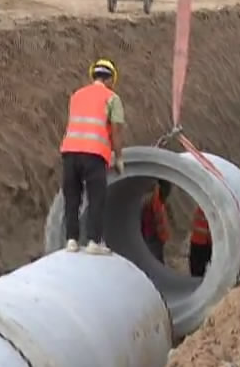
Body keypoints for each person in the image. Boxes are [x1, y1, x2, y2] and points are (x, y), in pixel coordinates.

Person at [59, 59, 125, 255]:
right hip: (94, 154)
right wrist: (118, 156)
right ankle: (93, 241)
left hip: (70, 151)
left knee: (72, 196)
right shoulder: (112, 98)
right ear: (111, 79)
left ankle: (71, 240)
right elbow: (116, 130)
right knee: (97, 197)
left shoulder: (77, 95)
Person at [141, 180, 171, 263]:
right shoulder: (156, 196)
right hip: (154, 234)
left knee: (154, 257)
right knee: (156, 257)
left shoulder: (153, 198)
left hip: (154, 235)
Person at [189, 206, 212, 277]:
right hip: (199, 242)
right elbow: (193, 225)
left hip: (206, 242)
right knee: (197, 269)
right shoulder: (201, 209)